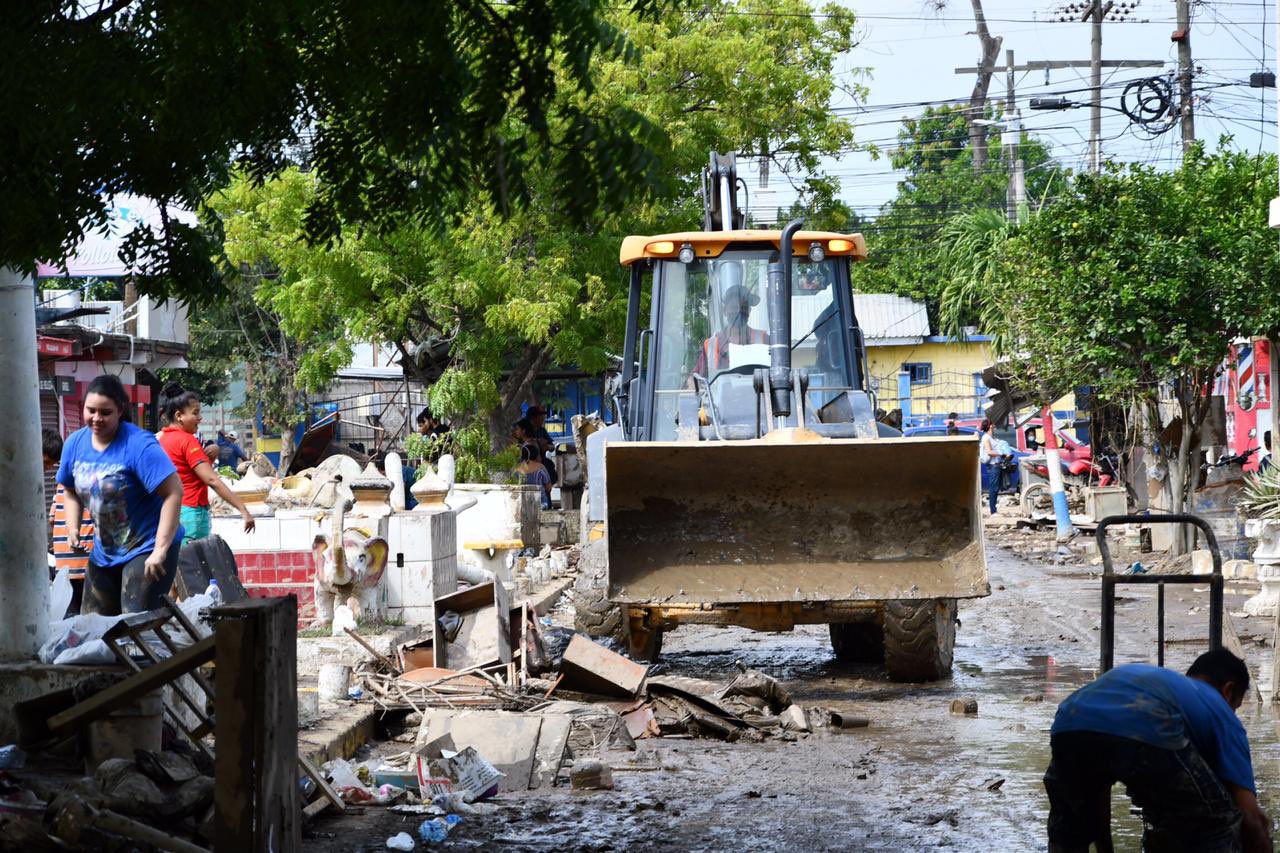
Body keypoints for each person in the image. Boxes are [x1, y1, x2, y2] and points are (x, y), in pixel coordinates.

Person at [1044, 649, 1270, 852]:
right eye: (1236, 707)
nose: (1232, 712)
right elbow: (1253, 819)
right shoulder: (1219, 709)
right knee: (1217, 823)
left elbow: (1096, 792)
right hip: (1147, 722)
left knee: (1068, 832)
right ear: (1228, 690)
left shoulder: (1166, 685)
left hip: (1069, 723)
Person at [57, 375, 186, 615]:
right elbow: (70, 489)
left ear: (120, 411)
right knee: (92, 628)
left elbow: (173, 493)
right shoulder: (74, 444)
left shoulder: (139, 445)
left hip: (146, 547)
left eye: (105, 412)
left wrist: (160, 550)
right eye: (90, 410)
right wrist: (72, 527)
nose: (96, 418)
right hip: (105, 551)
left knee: (135, 625)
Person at [157, 383, 256, 540]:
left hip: (171, 512)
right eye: (195, 413)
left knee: (179, 562)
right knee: (195, 561)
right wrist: (243, 509)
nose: (200, 418)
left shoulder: (160, 439)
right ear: (179, 416)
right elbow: (212, 480)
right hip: (192, 513)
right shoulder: (188, 441)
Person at [692, 265, 768, 377]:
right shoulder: (711, 345)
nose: (739, 311)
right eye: (734, 306)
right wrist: (692, 384)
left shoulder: (764, 339)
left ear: (749, 310)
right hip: (719, 395)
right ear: (724, 310)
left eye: (743, 307)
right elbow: (695, 379)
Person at [525, 405, 558, 485]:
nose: (543, 419)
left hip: (542, 462)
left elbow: (552, 446)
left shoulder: (542, 431)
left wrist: (546, 446)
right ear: (533, 418)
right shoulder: (523, 430)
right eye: (540, 416)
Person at [979, 419, 1003, 514]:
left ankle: (994, 509)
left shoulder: (991, 437)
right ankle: (993, 511)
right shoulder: (986, 438)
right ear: (990, 426)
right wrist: (1001, 453)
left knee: (996, 488)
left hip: (996, 465)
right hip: (993, 466)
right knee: (993, 488)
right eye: (993, 424)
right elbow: (989, 452)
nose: (995, 426)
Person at [517, 444, 552, 509]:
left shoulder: (517, 468)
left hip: (522, 504)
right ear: (535, 454)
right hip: (540, 503)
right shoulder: (540, 467)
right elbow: (549, 487)